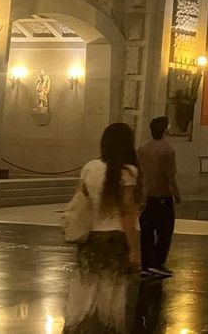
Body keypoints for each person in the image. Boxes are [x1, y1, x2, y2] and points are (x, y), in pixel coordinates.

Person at [64, 123, 141, 333]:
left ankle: (80, 326)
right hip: (116, 238)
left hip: (91, 236)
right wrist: (135, 249)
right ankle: (107, 327)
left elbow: (82, 201)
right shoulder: (128, 172)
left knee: (86, 286)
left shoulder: (90, 167)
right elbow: (127, 214)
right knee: (112, 289)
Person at [138, 116, 181, 278]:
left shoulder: (142, 148)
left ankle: (146, 262)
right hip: (162, 195)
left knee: (146, 231)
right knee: (165, 232)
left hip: (146, 195)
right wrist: (176, 193)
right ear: (164, 129)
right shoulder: (167, 149)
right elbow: (169, 175)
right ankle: (157, 262)